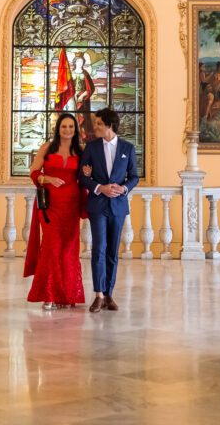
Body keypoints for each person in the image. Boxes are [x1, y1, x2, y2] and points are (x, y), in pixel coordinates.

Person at [79, 107, 139, 313]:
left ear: (109, 126)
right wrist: (99, 187)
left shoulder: (127, 148)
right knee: (99, 249)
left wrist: (124, 188)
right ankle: (98, 295)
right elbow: (83, 176)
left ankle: (109, 294)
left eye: (98, 124)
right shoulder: (91, 147)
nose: (94, 127)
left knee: (113, 251)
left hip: (118, 206)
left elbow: (134, 177)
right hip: (97, 206)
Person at [24, 113, 86, 310]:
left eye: (70, 127)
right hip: (50, 206)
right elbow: (33, 172)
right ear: (58, 129)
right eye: (64, 127)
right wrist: (48, 179)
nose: (67, 130)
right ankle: (48, 295)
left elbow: (87, 176)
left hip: (71, 206)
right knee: (51, 247)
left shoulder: (81, 151)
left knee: (69, 250)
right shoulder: (47, 148)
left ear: (75, 130)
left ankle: (67, 295)